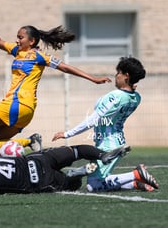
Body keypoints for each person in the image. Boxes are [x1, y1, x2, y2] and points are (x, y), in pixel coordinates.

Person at [0, 14, 111, 160]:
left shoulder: (39, 56)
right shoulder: (17, 51)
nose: (17, 40)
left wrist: (93, 78)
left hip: (15, 104)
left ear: (32, 41)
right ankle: (30, 141)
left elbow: (65, 67)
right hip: (26, 111)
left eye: (20, 37)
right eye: (17, 37)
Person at [53, 56, 159, 192]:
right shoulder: (136, 97)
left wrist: (67, 133)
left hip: (108, 146)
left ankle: (136, 174)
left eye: (118, 73)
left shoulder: (116, 96)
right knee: (99, 181)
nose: (116, 76)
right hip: (117, 142)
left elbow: (93, 120)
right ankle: (134, 183)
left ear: (126, 75)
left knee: (93, 186)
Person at [0, 144, 130, 195]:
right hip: (38, 159)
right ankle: (101, 154)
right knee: (76, 151)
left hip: (39, 181)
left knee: (73, 184)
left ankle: (75, 174)